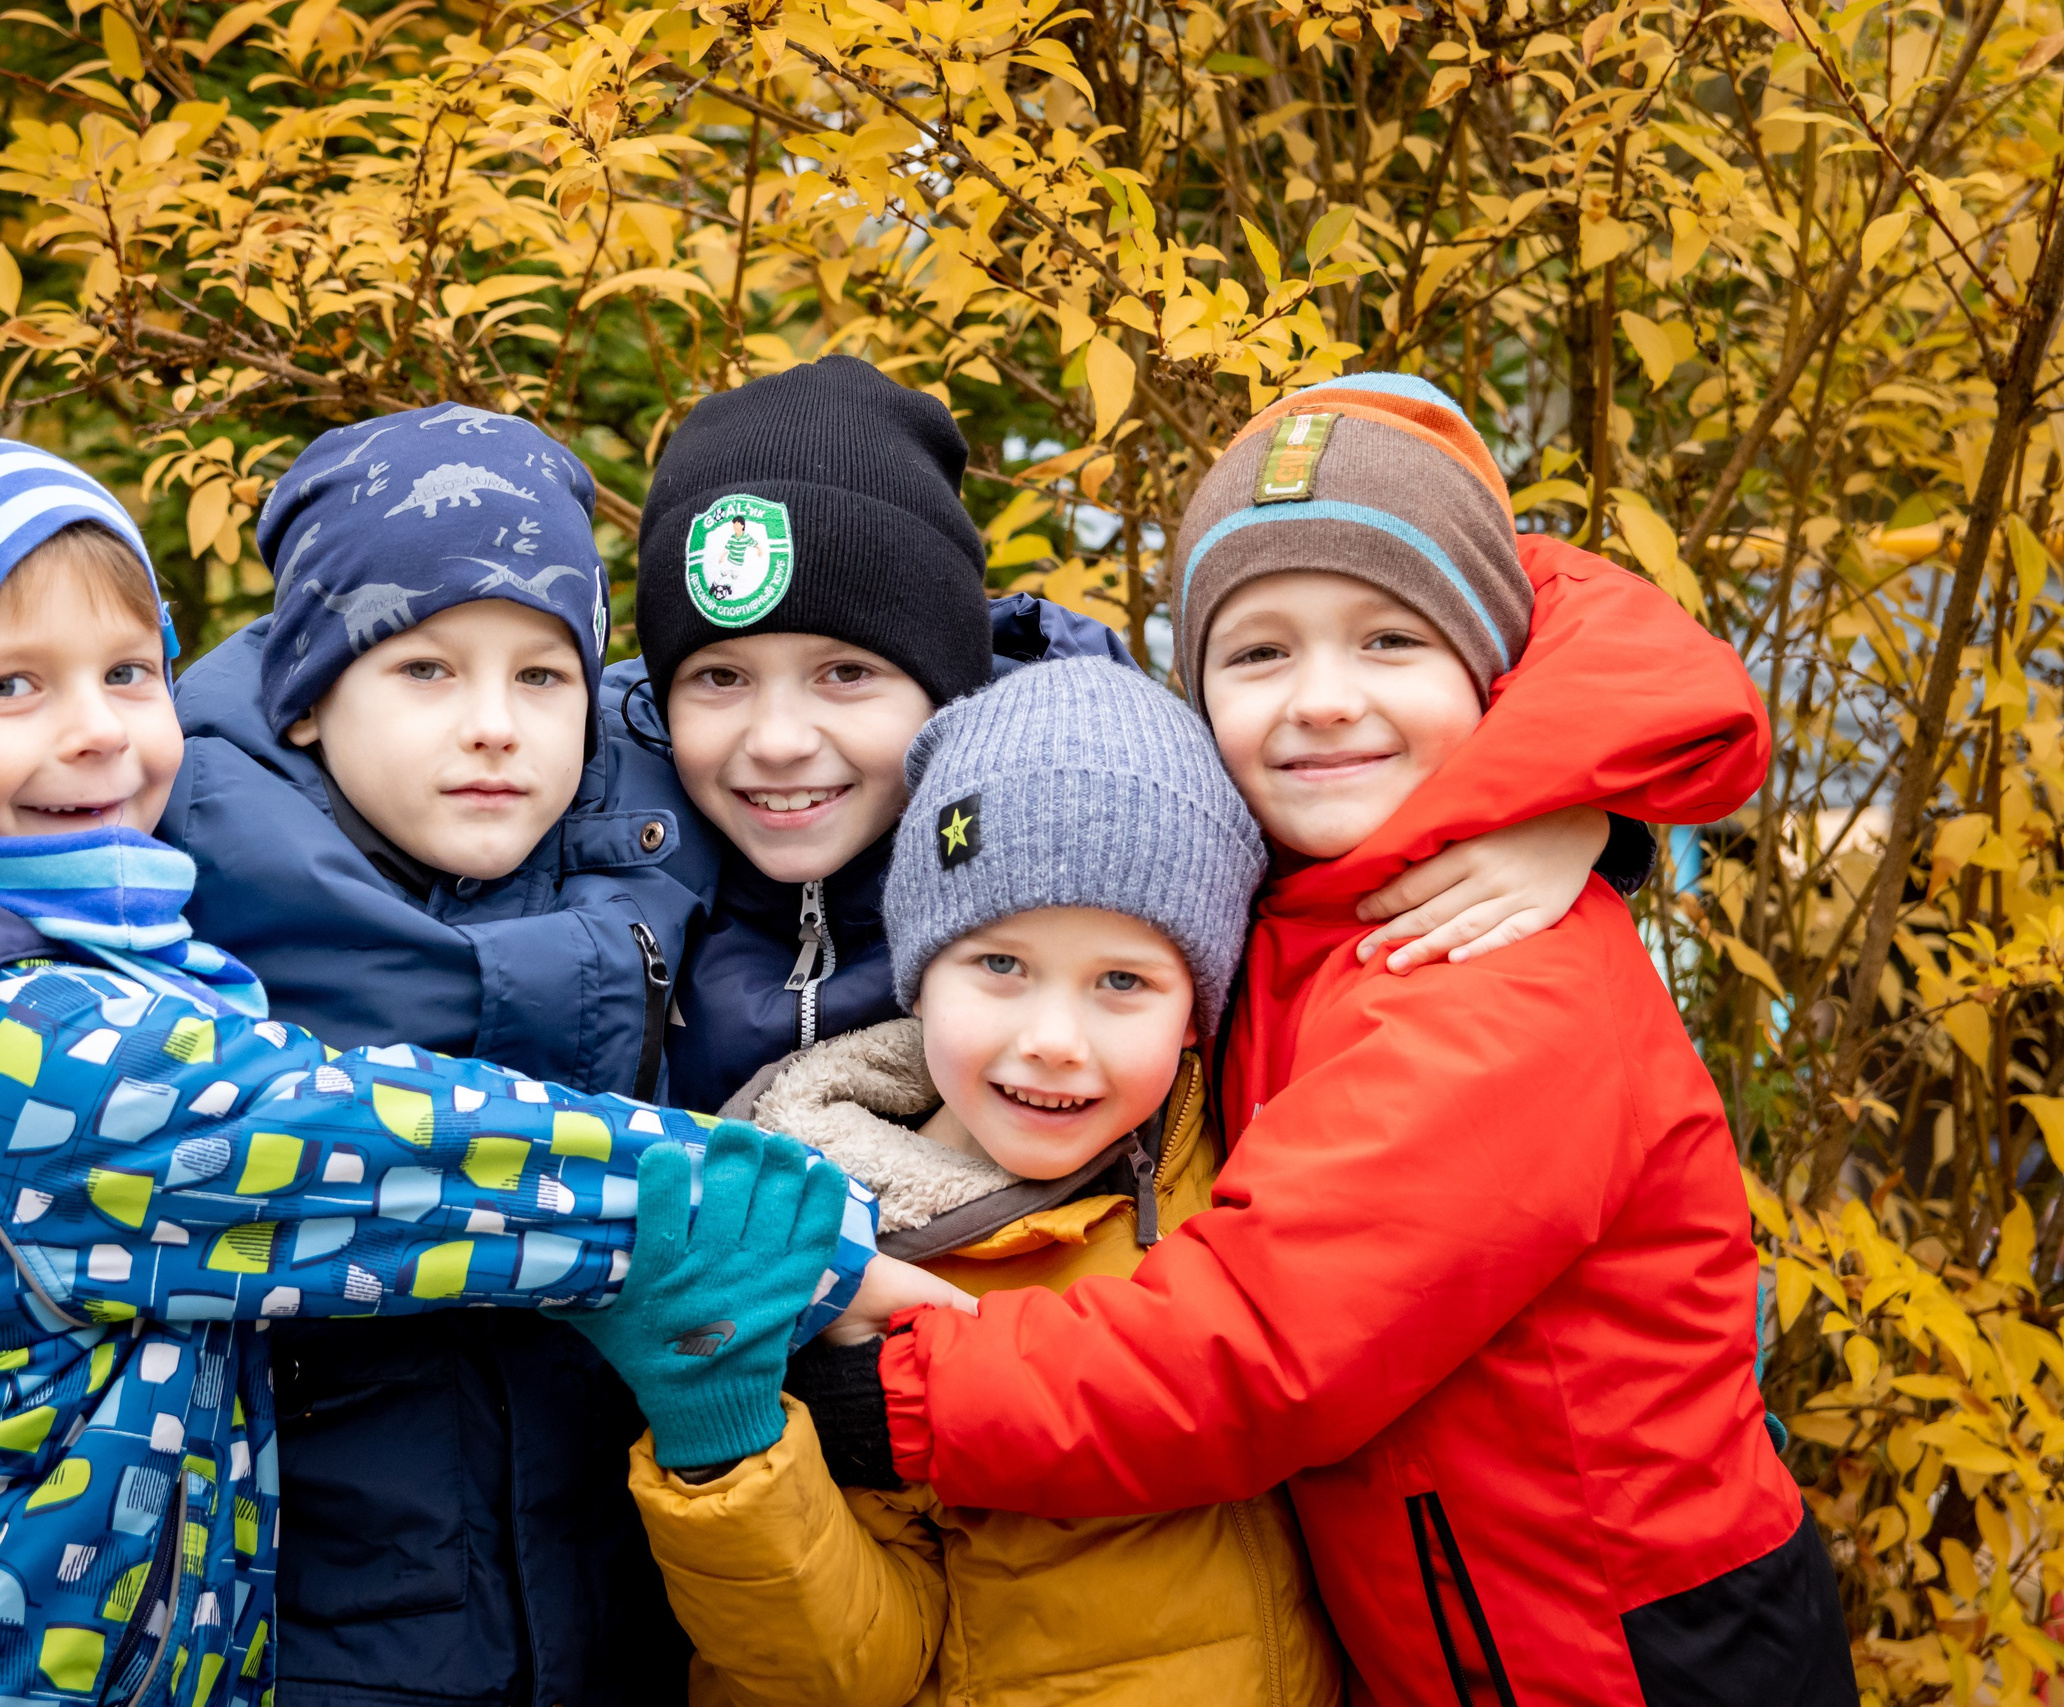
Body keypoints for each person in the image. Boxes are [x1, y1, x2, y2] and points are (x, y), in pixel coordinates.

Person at [0, 436, 879, 1707]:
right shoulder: (26, 1046)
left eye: (129, 673)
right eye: (10, 687)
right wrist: (794, 1226)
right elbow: (395, 1153)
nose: (96, 731)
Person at [721, 373, 1854, 1703]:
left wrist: (897, 1396)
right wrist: (1584, 804)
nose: (1320, 698)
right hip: (1465, 1621)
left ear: (1492, 671)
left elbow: (1256, 1348)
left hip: (1627, 1652)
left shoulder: (1500, 987)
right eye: (1260, 651)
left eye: (1389, 640)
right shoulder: (1320, 891)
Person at [580, 655, 1345, 1704]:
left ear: (1199, 1007)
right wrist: (727, 1448)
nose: (1052, 1041)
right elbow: (849, 1668)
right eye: (998, 967)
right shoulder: (829, 1232)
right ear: (917, 972)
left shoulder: (1259, 1161)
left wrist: (1578, 832)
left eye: (1123, 981)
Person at [616, 355, 1658, 1115]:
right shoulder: (588, 794)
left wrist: (1571, 801)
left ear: (950, 686)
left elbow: (1537, 611)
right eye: (718, 677)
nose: (780, 738)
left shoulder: (1097, 794)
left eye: (846, 672)